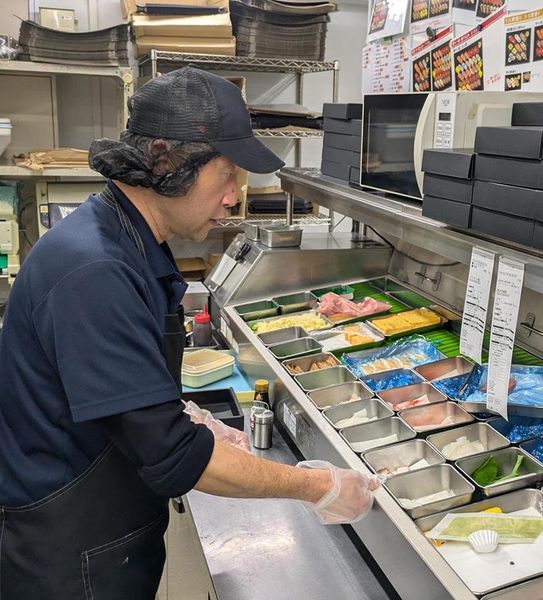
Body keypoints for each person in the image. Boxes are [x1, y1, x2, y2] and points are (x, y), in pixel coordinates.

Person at [0, 67, 379, 599]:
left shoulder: (126, 239)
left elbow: (118, 390)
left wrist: (181, 412)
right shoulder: (95, 270)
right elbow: (175, 458)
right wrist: (319, 485)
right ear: (165, 162)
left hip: (104, 530)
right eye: (227, 175)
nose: (234, 196)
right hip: (70, 556)